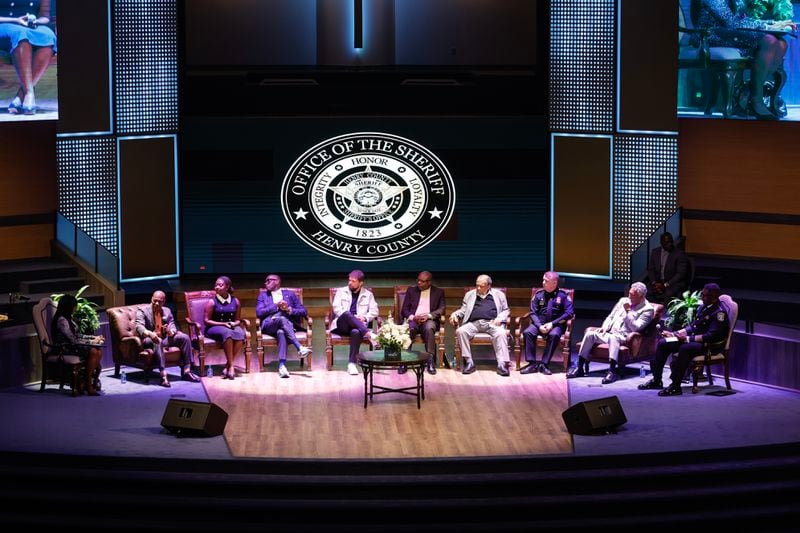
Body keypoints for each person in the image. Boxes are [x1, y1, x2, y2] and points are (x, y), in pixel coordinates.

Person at [692, 0, 797, 120]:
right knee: (769, 41)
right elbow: (731, 22)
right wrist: (769, 26)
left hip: (730, 32)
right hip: (710, 35)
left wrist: (774, 23)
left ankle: (748, 94)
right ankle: (756, 100)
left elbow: (742, 18)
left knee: (781, 43)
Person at [638, 282, 729, 396]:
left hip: (709, 345)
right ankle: (657, 380)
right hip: (694, 340)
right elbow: (693, 326)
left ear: (714, 297)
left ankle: (676, 386)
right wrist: (674, 334)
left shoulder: (719, 313)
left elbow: (711, 336)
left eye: (705, 295)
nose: (702, 297)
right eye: (702, 294)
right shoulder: (703, 307)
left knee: (685, 348)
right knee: (663, 343)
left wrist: (686, 339)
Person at [568, 282, 655, 384]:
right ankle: (579, 368)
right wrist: (604, 328)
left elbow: (636, 328)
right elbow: (611, 316)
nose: (629, 297)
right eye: (629, 294)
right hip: (610, 333)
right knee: (590, 334)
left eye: (632, 295)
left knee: (614, 338)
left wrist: (628, 312)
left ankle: (612, 371)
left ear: (641, 296)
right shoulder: (623, 300)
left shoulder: (648, 310)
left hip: (625, 338)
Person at [0, 0, 56, 115]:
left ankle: (22, 95)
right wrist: (15, 20)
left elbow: (45, 16)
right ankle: (29, 93)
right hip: (4, 25)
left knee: (48, 36)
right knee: (20, 34)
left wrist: (36, 21)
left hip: (30, 26)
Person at [449, 274, 511, 376]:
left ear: (488, 285)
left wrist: (500, 318)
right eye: (477, 285)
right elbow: (463, 310)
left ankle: (502, 364)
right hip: (474, 323)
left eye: (481, 286)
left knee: (501, 333)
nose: (478, 288)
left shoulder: (499, 295)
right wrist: (455, 314)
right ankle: (469, 362)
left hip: (492, 323)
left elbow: (506, 310)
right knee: (461, 331)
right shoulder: (469, 294)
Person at [135, 290, 199, 388]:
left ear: (164, 301)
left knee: (184, 338)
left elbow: (172, 325)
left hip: (165, 338)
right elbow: (139, 326)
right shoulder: (142, 311)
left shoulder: (167, 311)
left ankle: (187, 371)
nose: (156, 303)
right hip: (149, 339)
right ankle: (163, 376)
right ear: (151, 299)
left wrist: (170, 331)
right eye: (154, 301)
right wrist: (150, 334)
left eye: (159, 302)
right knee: (158, 340)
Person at [256, 274, 312, 379]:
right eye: (265, 281)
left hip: (286, 326)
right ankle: (299, 347)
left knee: (281, 332)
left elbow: (303, 311)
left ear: (277, 281)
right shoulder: (263, 296)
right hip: (269, 325)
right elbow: (259, 312)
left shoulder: (290, 295)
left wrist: (289, 309)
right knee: (281, 319)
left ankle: (282, 366)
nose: (266, 283)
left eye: (268, 281)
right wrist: (276, 305)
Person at [521, 271, 574, 376]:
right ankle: (532, 364)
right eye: (543, 280)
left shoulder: (563, 296)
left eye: (546, 281)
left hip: (556, 324)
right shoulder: (538, 294)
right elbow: (533, 312)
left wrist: (552, 324)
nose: (543, 282)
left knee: (554, 334)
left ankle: (544, 364)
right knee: (528, 332)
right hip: (539, 324)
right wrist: (539, 325)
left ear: (554, 283)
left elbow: (569, 313)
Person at [50, 294, 102, 396]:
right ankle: (88, 384)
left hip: (72, 346)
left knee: (99, 351)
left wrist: (92, 338)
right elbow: (72, 340)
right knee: (93, 351)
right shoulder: (62, 320)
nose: (76, 308)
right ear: (68, 307)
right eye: (74, 306)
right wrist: (92, 342)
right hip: (64, 348)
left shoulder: (69, 318)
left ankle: (87, 381)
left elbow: (77, 335)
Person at [330, 270, 379, 376]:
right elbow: (336, 309)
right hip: (341, 325)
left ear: (361, 283)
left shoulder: (368, 294)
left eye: (353, 281)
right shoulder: (341, 291)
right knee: (347, 314)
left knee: (356, 332)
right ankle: (369, 334)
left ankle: (352, 364)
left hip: (357, 327)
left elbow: (375, 311)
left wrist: (365, 318)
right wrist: (353, 318)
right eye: (349, 280)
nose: (350, 283)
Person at [398, 271, 445, 375]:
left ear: (429, 282)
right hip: (414, 319)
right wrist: (413, 317)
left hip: (428, 320)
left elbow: (442, 309)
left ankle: (430, 360)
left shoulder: (438, 292)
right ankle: (404, 360)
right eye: (418, 280)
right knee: (410, 329)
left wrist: (428, 316)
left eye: (422, 281)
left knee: (429, 328)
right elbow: (404, 309)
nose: (419, 283)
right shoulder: (411, 290)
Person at [204, 276, 246, 380]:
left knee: (241, 333)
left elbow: (237, 320)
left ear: (227, 287)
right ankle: (231, 367)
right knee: (227, 333)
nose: (217, 287)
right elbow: (206, 321)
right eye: (216, 285)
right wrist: (224, 324)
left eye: (220, 285)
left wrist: (233, 324)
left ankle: (227, 365)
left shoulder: (235, 301)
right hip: (213, 328)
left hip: (229, 327)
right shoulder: (212, 302)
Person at [646, 232, 689, 304]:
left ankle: (665, 314)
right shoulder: (655, 252)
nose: (670, 244)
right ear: (661, 242)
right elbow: (651, 269)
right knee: (646, 292)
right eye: (666, 242)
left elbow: (681, 274)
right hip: (657, 282)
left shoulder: (679, 254)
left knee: (668, 294)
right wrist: (654, 283)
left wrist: (665, 285)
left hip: (672, 283)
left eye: (671, 241)